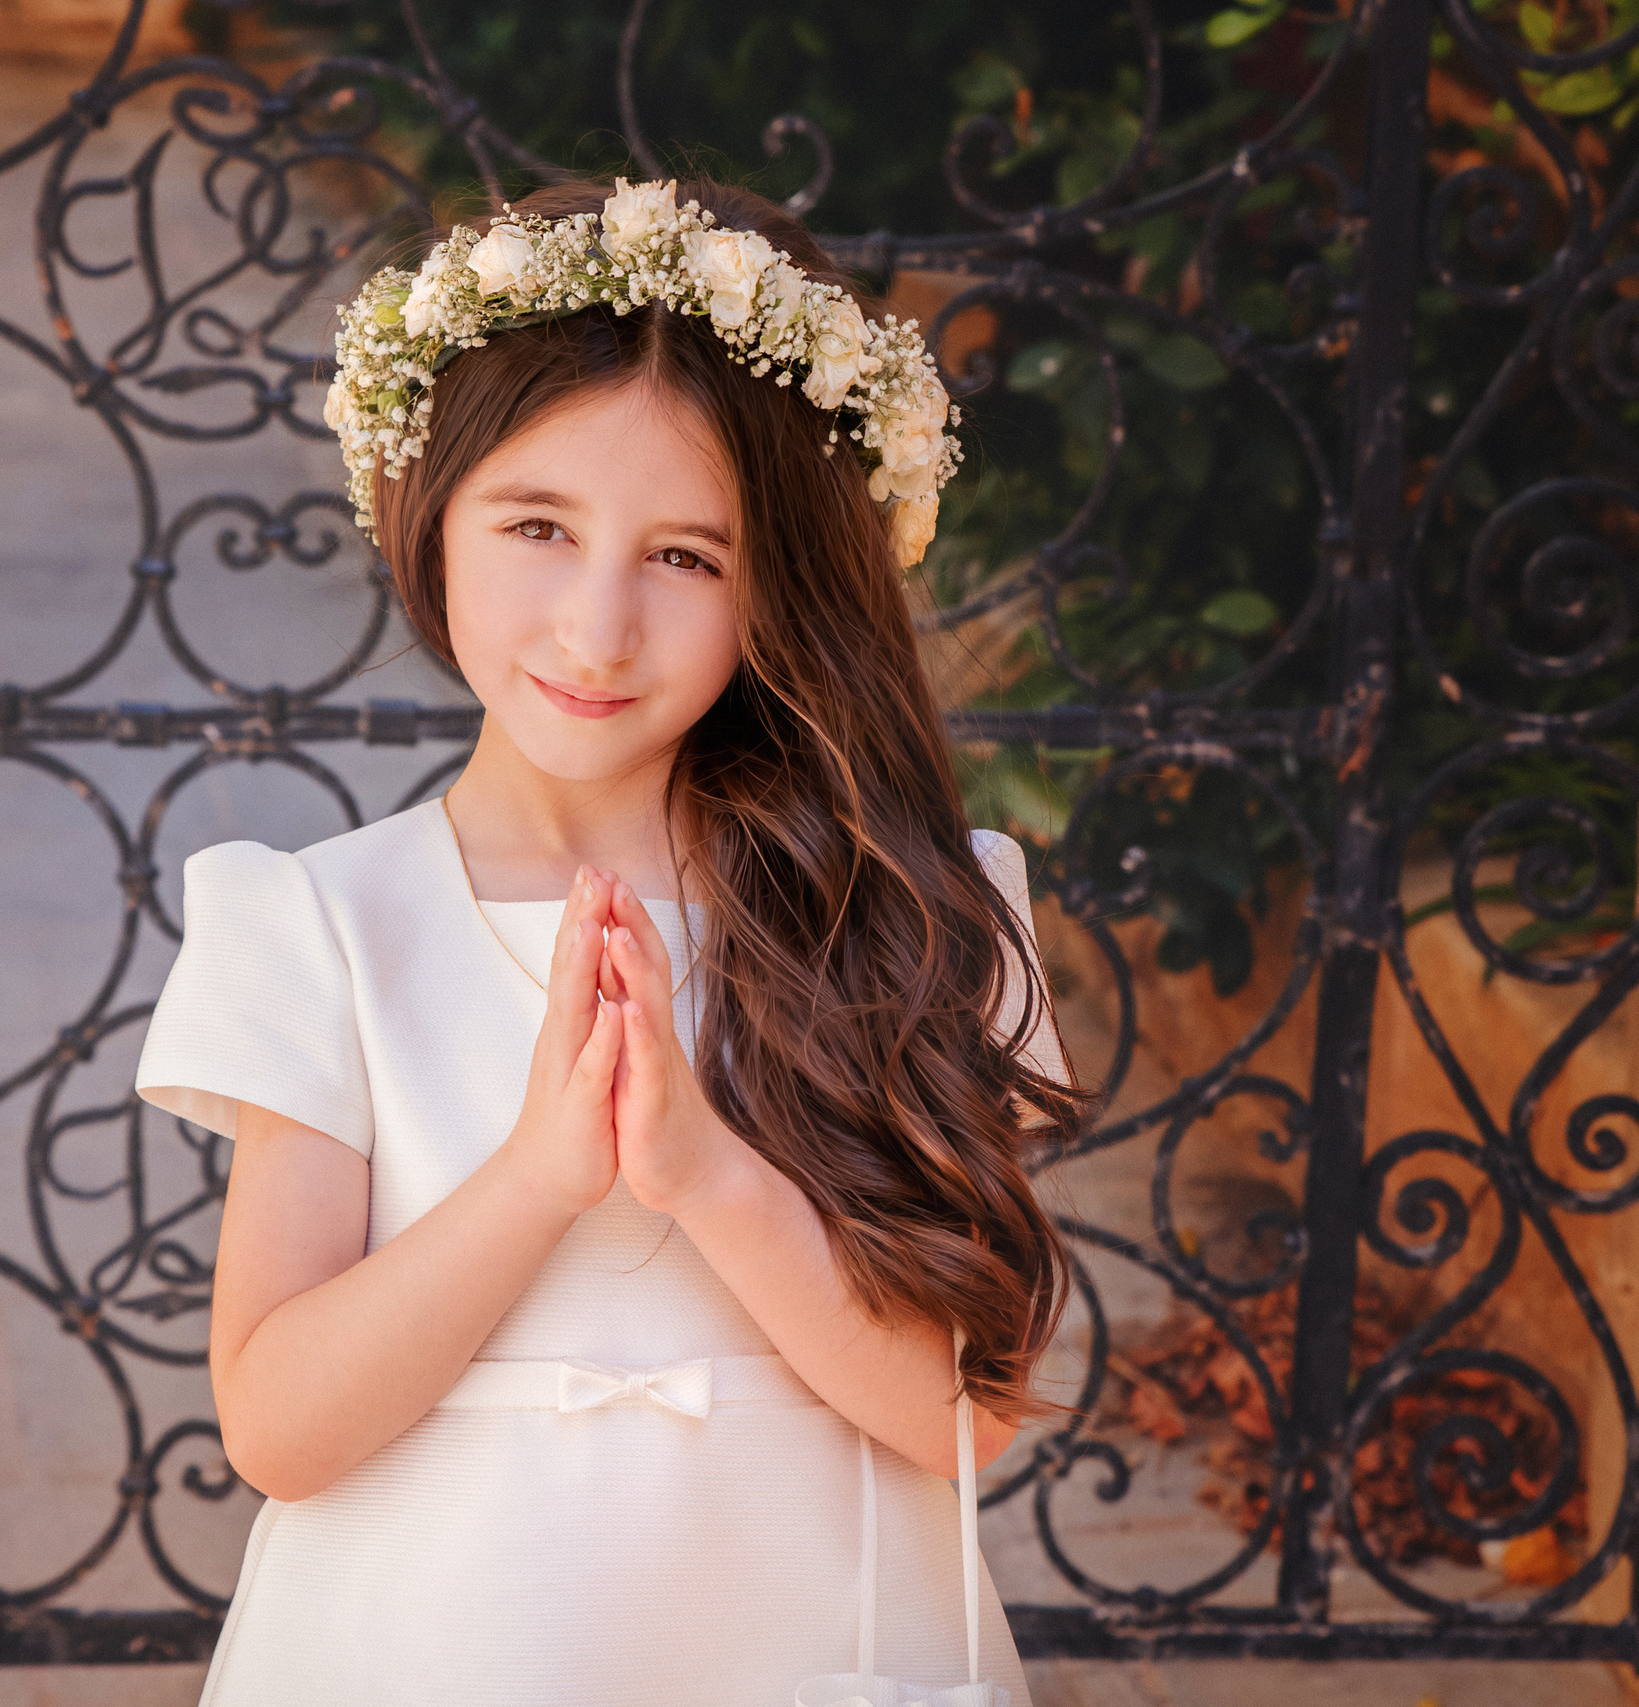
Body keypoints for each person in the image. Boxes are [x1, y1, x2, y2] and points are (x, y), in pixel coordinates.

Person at [136, 175, 1082, 1707]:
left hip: (821, 1654)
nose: (596, 627)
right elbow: (279, 1431)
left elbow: (962, 1418)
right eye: (536, 525)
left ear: (786, 583)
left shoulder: (920, 909)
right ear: (424, 511)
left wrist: (711, 1177)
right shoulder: (321, 924)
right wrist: (537, 1180)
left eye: (686, 557)